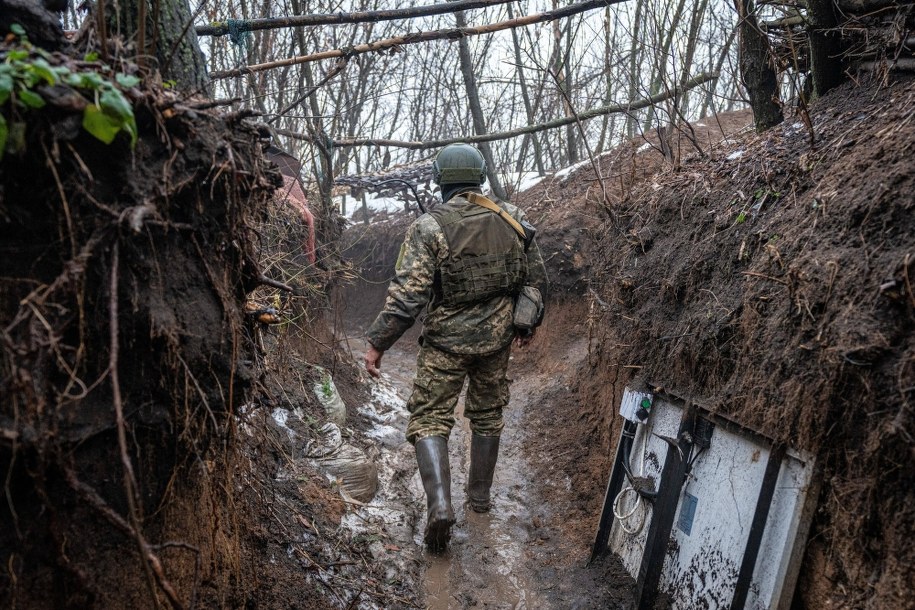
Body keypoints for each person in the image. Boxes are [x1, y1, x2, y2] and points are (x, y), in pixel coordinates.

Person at [363, 143, 547, 551]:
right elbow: (536, 281)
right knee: (487, 416)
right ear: (480, 175)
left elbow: (408, 298)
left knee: (429, 418)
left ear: (439, 179)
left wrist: (377, 343)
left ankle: (441, 505)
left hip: (446, 343)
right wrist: (525, 324)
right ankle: (479, 502)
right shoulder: (513, 219)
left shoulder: (429, 227)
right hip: (496, 342)